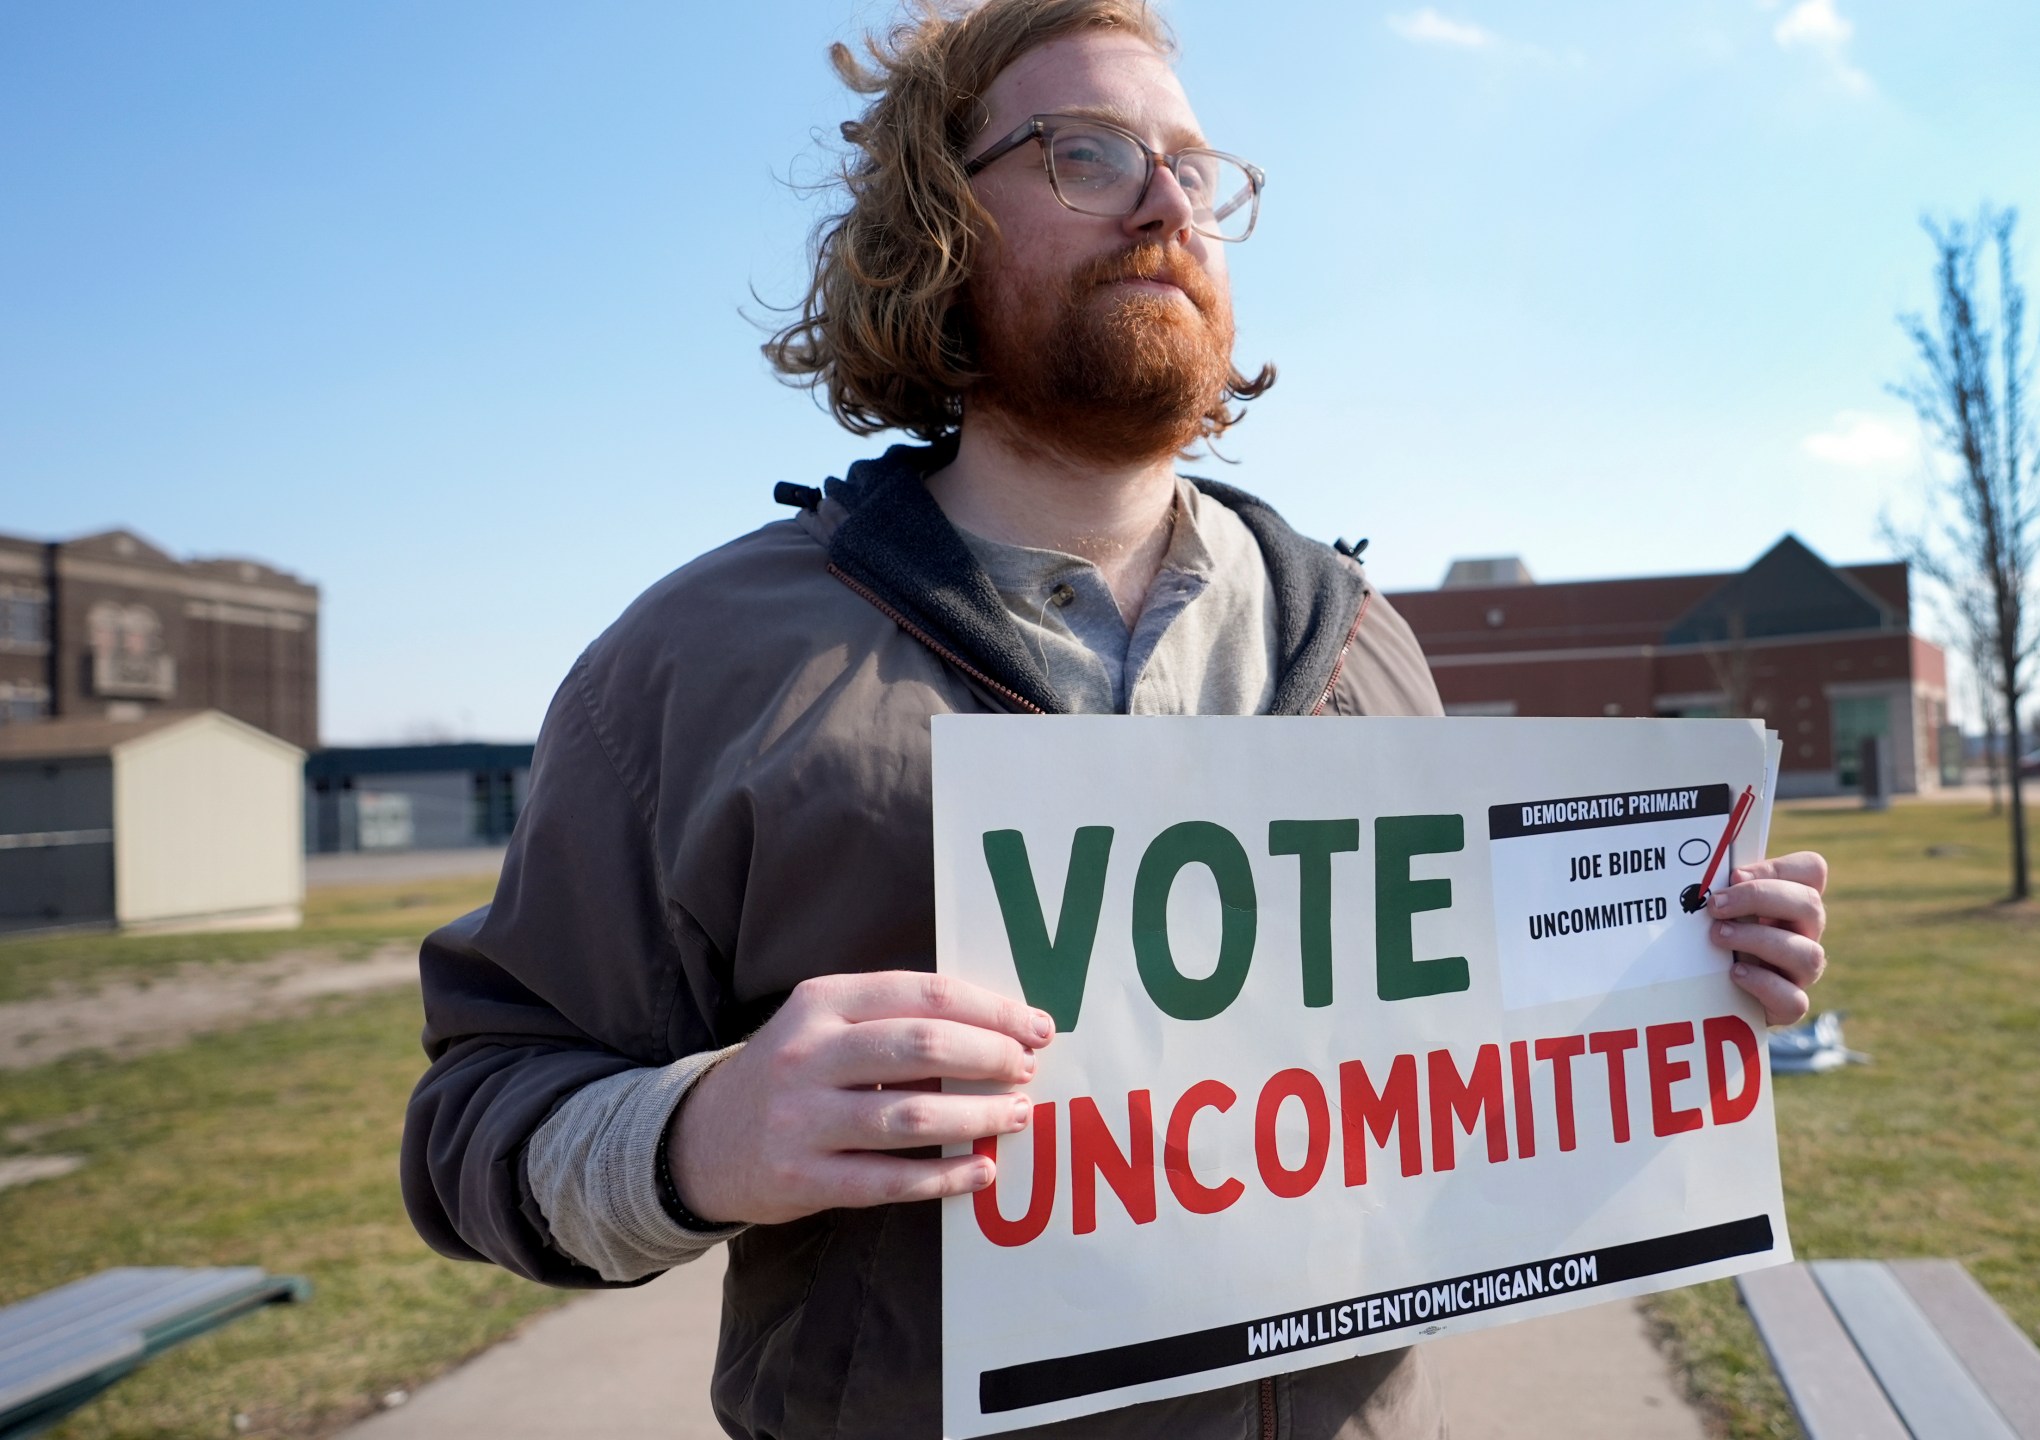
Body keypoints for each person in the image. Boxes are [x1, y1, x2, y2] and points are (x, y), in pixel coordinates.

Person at [397, 3, 1835, 1436]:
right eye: (1085, 154)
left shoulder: (1366, 641)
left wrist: (1669, 967)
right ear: (935, 224)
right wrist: (697, 1139)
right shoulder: (693, 667)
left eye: (1197, 173)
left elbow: (1469, 1054)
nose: (1166, 204)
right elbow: (484, 1118)